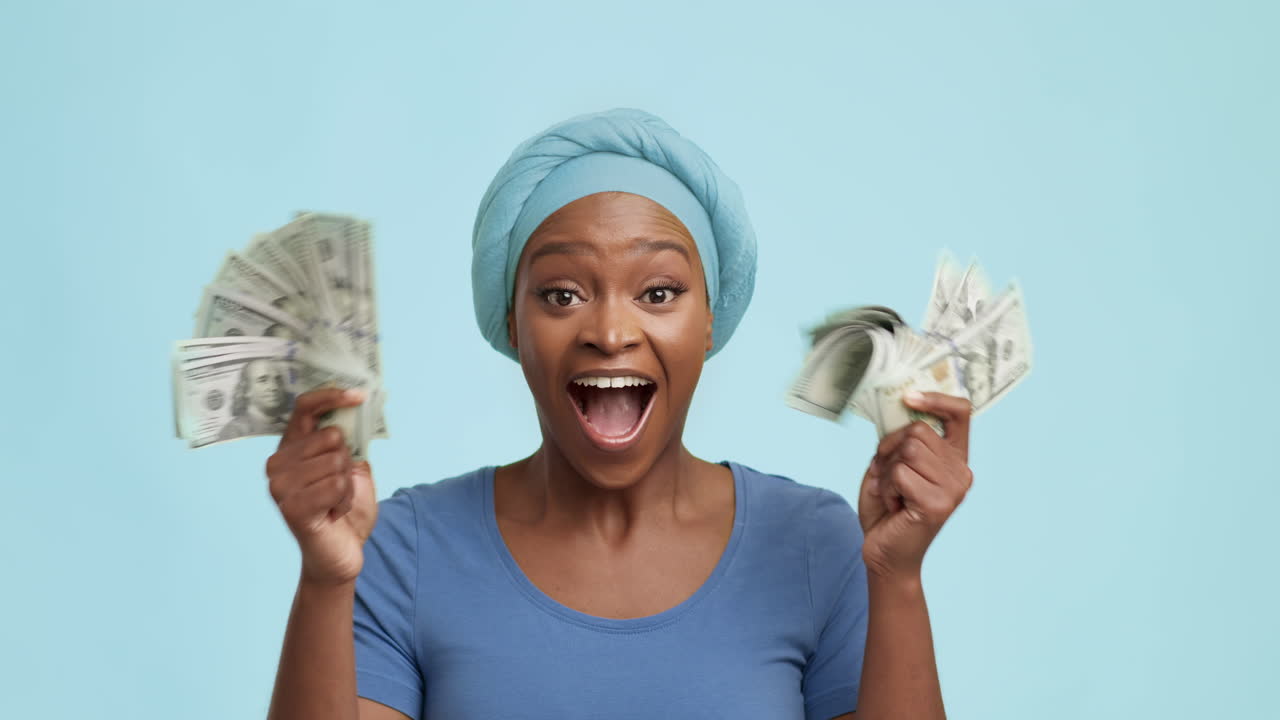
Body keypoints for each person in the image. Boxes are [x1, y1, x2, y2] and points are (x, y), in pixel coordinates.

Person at [264, 109, 975, 720]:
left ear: (710, 321)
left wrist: (899, 577)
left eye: (659, 292)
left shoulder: (817, 544)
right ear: (511, 323)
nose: (610, 331)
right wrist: (326, 580)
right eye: (562, 294)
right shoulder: (405, 548)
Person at [217, 357, 291, 441]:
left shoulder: (290, 426)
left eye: (277, 380)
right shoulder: (234, 432)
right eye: (263, 380)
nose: (274, 387)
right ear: (246, 390)